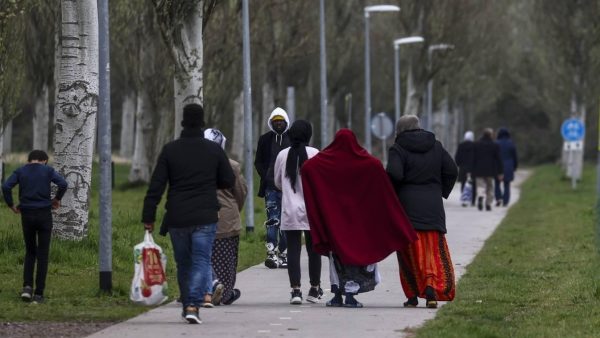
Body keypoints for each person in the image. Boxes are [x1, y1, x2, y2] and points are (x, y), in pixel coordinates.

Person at [302, 129, 417, 308]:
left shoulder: (325, 163)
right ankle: (350, 295)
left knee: (336, 260)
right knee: (356, 260)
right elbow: (380, 178)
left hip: (335, 225)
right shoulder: (368, 164)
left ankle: (337, 296)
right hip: (359, 225)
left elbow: (307, 167)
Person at [142, 103, 235, 324]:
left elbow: (156, 185)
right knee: (201, 260)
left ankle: (188, 305)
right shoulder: (214, 150)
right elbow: (228, 180)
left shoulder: (171, 149)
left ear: (183, 121)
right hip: (205, 215)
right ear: (203, 122)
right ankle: (194, 304)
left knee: (183, 262)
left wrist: (149, 216)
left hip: (178, 216)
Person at [386, 115, 458, 309]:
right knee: (431, 251)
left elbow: (394, 173)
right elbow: (451, 170)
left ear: (399, 130)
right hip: (433, 206)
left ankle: (411, 296)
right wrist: (441, 190)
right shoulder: (436, 146)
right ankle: (431, 290)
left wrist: (394, 194)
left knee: (408, 252)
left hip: (407, 207)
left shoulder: (398, 148)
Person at [1, 150, 68, 304]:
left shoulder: (21, 170)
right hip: (44, 214)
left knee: (30, 251)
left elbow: (6, 186)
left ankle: (27, 288)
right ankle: (38, 294)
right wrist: (57, 199)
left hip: (27, 215)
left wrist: (11, 205)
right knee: (43, 255)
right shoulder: (48, 170)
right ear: (44, 160)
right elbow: (63, 184)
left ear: (29, 160)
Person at [273, 120, 322, 305]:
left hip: (289, 210)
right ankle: (315, 289)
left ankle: (295, 291)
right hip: (312, 210)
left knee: (293, 250)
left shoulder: (282, 155)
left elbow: (277, 182)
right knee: (313, 250)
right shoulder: (315, 154)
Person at [203, 128, 247, 306]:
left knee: (201, 257)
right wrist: (235, 209)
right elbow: (241, 192)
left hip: (201, 218)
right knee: (227, 260)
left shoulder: (194, 164)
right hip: (227, 220)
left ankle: (202, 291)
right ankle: (226, 293)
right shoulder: (232, 166)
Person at [254, 107, 291, 269]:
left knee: (286, 221)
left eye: (281, 122)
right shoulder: (265, 139)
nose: (278, 125)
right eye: (275, 122)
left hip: (289, 188)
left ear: (286, 122)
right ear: (271, 123)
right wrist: (267, 176)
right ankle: (271, 253)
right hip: (271, 187)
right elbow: (258, 162)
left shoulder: (292, 139)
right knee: (272, 220)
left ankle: (283, 254)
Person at [472, 128, 503, 211]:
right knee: (490, 187)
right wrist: (500, 172)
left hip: (478, 169)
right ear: (491, 135)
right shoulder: (494, 145)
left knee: (480, 186)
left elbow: (473, 158)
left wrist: (472, 170)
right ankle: (488, 204)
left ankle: (481, 196)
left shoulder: (476, 144)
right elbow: (498, 159)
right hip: (490, 170)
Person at [494, 127, 518, 207]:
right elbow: (515, 156)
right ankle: (505, 201)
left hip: (497, 166)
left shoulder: (496, 143)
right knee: (506, 184)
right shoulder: (511, 143)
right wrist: (515, 166)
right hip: (508, 166)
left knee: (497, 183)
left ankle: (498, 198)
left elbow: (493, 156)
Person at [454, 130, 476, 207]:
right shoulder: (475, 145)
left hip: (463, 167)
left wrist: (459, 164)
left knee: (463, 183)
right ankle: (473, 201)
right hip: (472, 167)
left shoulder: (461, 145)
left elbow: (457, 157)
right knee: (473, 184)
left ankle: (464, 200)